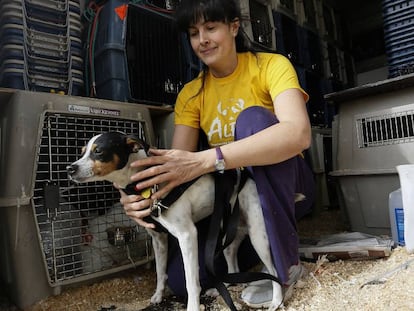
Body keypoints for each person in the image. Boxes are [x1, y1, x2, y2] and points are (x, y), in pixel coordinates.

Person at [118, 0, 315, 308]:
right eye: (194, 33)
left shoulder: (271, 66)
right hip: (233, 195)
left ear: (234, 27)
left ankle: (285, 265)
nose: (202, 40)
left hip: (289, 184)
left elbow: (298, 134)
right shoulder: (192, 93)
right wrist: (136, 195)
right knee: (183, 284)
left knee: (253, 120)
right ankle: (256, 246)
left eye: (211, 28)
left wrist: (208, 159)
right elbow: (177, 169)